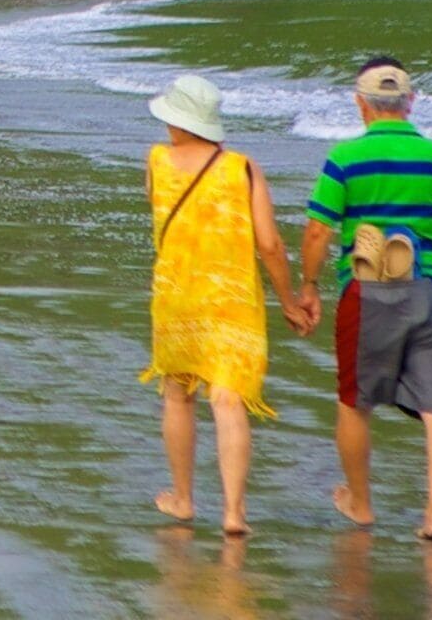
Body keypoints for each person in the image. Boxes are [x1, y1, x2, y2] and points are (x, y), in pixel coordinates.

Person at [299, 56, 432, 542]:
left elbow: (316, 230)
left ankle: (362, 504)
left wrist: (308, 287)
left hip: (367, 290)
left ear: (361, 104)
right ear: (409, 102)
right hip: (431, 287)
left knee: (356, 402)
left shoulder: (346, 158)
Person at [139, 73, 299, 534]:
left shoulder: (156, 161)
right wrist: (289, 300)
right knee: (228, 402)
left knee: (178, 394)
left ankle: (184, 500)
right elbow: (269, 244)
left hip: (177, 296)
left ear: (177, 121)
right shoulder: (243, 168)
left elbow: (159, 206)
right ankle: (234, 513)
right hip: (232, 302)